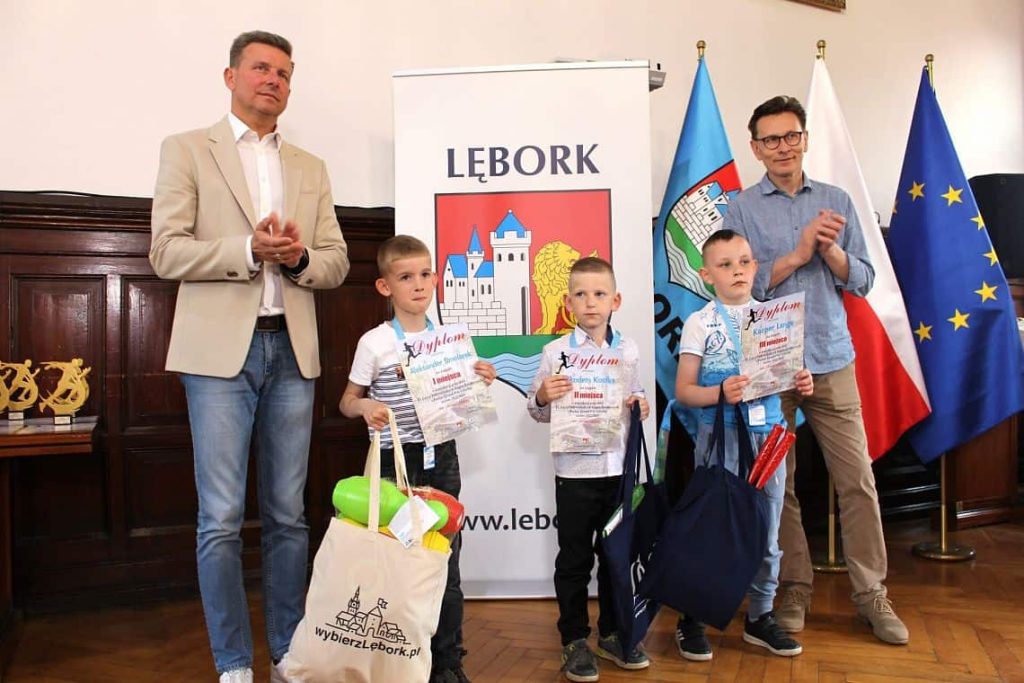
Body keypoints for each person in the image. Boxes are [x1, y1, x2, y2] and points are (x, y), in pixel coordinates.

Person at [149, 30, 350, 683]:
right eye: (261, 68)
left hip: (292, 350)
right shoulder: (186, 149)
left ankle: (287, 651)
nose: (274, 80)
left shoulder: (310, 167)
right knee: (221, 518)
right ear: (231, 76)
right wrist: (246, 250)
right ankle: (233, 661)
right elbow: (166, 252)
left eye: (285, 73)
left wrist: (295, 257)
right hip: (217, 357)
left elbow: (336, 262)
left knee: (289, 515)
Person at [724, 95, 909, 645]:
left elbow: (864, 280)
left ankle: (872, 594)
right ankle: (793, 588)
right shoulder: (740, 210)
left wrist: (833, 255)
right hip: (769, 365)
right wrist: (800, 252)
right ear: (756, 148)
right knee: (777, 486)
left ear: (804, 139)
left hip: (830, 359)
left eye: (791, 136)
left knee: (858, 480)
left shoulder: (836, 200)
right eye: (771, 139)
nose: (783, 147)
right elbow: (739, 284)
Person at [339, 235, 496, 683]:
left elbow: (463, 396)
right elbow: (347, 400)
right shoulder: (375, 343)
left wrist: (481, 378)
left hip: (441, 457)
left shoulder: (451, 340)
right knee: (397, 564)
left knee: (445, 562)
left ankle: (448, 662)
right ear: (385, 286)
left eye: (426, 274)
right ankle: (400, 660)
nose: (419, 284)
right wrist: (366, 406)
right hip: (394, 462)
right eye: (406, 277)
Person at [673, 230, 813, 661]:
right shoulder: (700, 323)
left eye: (744, 261)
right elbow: (684, 392)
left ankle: (760, 615)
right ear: (706, 274)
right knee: (714, 529)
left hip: (768, 438)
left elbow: (786, 376)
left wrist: (802, 381)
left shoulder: (774, 318)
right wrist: (719, 392)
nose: (737, 271)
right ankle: (693, 617)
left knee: (767, 532)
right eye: (725, 264)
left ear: (755, 266)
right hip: (720, 440)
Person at [527, 257, 650, 683]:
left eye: (599, 294)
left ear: (616, 300)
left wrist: (639, 404)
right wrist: (543, 396)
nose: (590, 302)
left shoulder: (627, 350)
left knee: (616, 557)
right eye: (581, 294)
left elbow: (636, 396)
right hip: (575, 473)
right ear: (568, 303)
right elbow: (536, 410)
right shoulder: (555, 353)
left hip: (618, 471)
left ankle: (612, 634)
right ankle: (574, 639)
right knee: (575, 558)